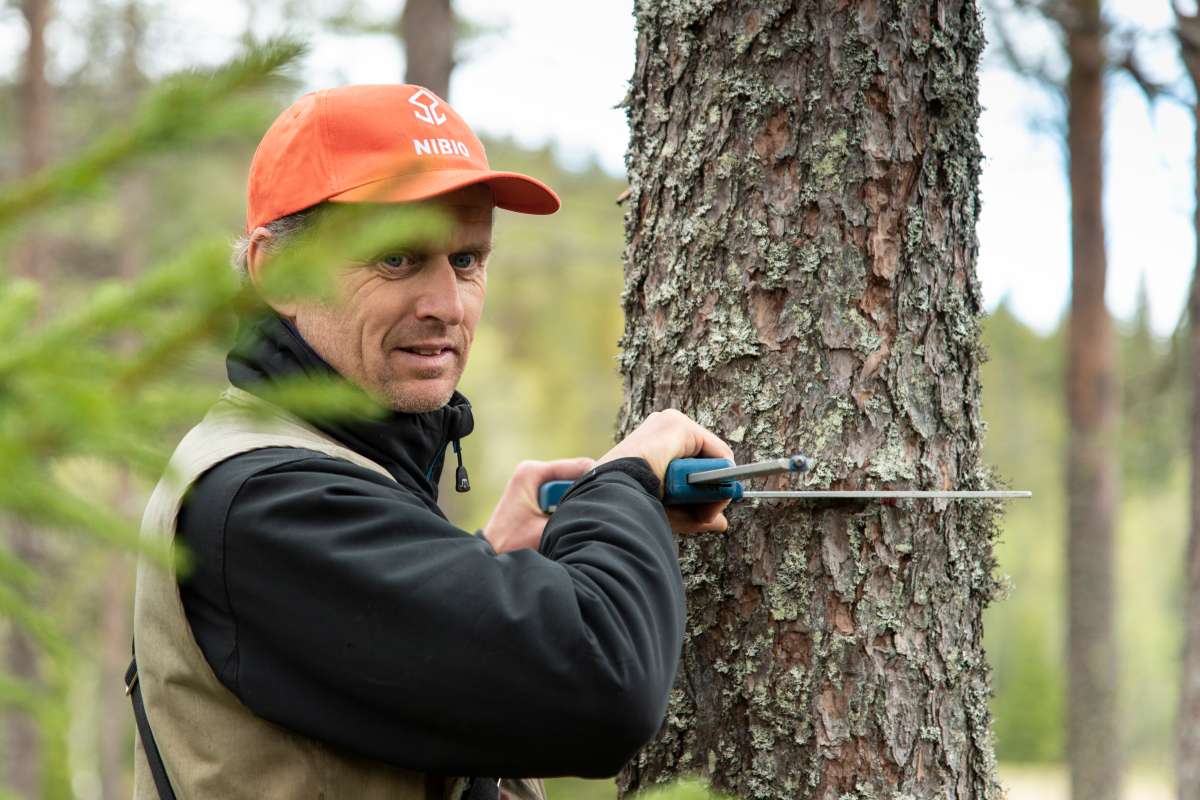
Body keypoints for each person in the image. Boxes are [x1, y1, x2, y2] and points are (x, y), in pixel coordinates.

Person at [128, 84, 734, 800]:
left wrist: (482, 563)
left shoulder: (323, 470)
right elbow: (603, 683)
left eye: (468, 261)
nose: (447, 304)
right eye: (396, 260)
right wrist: (624, 484)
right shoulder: (264, 501)